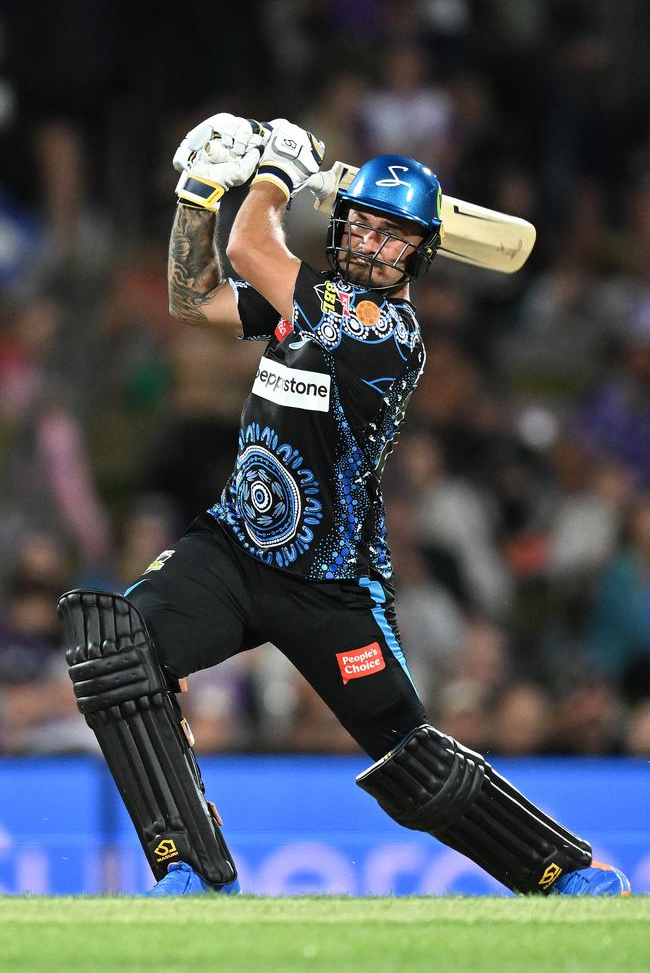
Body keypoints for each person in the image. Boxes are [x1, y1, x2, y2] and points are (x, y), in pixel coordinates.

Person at [59, 114, 630, 898]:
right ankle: (190, 869)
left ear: (420, 253)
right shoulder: (311, 300)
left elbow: (251, 249)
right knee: (114, 649)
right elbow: (195, 300)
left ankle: (561, 871)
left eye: (392, 235)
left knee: (409, 758)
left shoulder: (382, 332)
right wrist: (196, 199)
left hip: (330, 584)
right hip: (233, 548)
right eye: (360, 224)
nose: (369, 244)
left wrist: (274, 170)